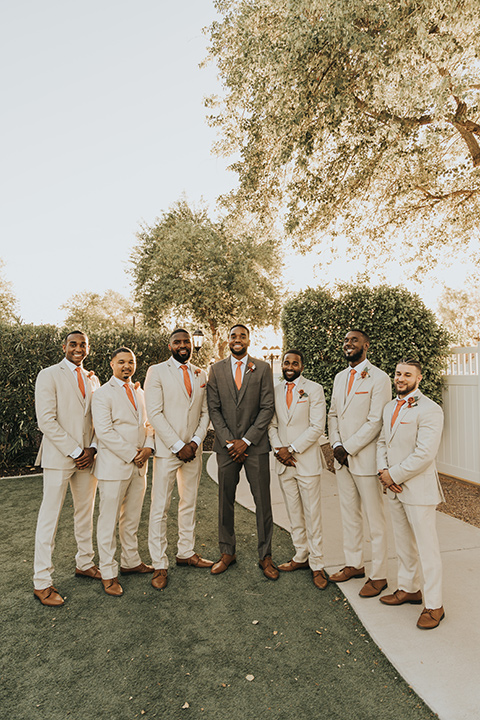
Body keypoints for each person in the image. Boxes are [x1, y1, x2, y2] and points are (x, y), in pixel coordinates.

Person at [377, 359, 445, 630]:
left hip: (418, 490)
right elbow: (383, 441)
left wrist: (394, 475)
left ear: (419, 378)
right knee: (403, 543)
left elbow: (425, 454)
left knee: (427, 549)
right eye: (398, 374)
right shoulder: (389, 406)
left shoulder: (431, 409)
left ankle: (435, 604)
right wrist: (383, 471)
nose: (401, 378)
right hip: (393, 488)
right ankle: (408, 589)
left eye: (407, 374)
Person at [33, 330, 100, 606]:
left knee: (85, 513)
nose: (78, 348)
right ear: (64, 346)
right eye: (73, 344)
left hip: (88, 458)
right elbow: (46, 421)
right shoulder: (48, 375)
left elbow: (99, 418)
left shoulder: (94, 378)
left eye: (83, 345)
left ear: (88, 349)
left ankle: (85, 563)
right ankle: (42, 582)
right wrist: (76, 451)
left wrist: (92, 448)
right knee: (50, 518)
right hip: (61, 457)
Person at [206, 324, 277, 579]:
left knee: (263, 502)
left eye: (242, 336)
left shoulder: (263, 368)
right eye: (234, 336)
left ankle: (265, 556)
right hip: (226, 450)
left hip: (255, 447)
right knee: (225, 501)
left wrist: (246, 441)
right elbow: (214, 409)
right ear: (228, 340)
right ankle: (227, 552)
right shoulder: (215, 370)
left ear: (249, 339)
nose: (238, 339)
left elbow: (267, 407)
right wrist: (229, 442)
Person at [144, 329, 212, 590]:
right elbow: (155, 412)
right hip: (167, 451)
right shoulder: (157, 371)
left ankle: (186, 552)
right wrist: (177, 445)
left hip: (193, 451)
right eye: (178, 342)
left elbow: (204, 412)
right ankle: (159, 564)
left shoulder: (201, 373)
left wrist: (195, 442)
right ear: (170, 345)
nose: (183, 345)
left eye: (186, 342)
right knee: (160, 507)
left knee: (189, 502)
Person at [328, 329, 391, 597]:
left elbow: (376, 421)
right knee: (349, 515)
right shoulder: (340, 377)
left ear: (366, 345)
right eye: (345, 340)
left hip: (364, 461)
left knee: (375, 520)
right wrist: (336, 446)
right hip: (343, 461)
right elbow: (332, 414)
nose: (348, 344)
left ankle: (379, 575)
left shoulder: (380, 378)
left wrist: (349, 448)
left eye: (354, 340)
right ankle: (354, 564)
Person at [92, 347, 154, 596]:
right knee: (108, 522)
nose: (126, 366)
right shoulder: (102, 394)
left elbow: (148, 423)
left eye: (131, 362)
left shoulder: (140, 392)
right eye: (121, 362)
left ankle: (130, 561)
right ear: (111, 364)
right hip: (114, 467)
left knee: (131, 519)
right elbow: (104, 432)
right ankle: (108, 572)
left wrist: (148, 448)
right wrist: (132, 454)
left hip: (140, 467)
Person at [268, 350, 328, 589]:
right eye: (286, 362)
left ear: (302, 366)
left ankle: (317, 564)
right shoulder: (275, 391)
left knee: (313, 515)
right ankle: (301, 556)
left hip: (306, 462)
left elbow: (317, 427)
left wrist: (290, 449)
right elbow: (272, 425)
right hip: (284, 464)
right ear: (282, 365)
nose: (290, 366)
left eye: (295, 363)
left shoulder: (314, 389)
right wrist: (278, 449)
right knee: (294, 514)